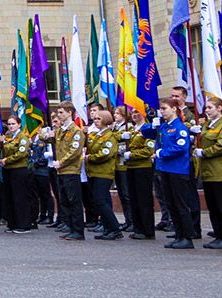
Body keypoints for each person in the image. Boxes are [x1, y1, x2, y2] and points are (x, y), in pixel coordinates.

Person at [195, 96, 222, 248]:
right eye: (206, 108)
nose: (206, 110)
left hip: (220, 171)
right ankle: (218, 234)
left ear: (219, 108)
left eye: (210, 108)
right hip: (208, 171)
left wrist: (205, 152)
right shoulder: (208, 125)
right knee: (213, 206)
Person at [153, 103, 196, 249]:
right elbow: (154, 138)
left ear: (174, 109)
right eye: (161, 109)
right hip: (165, 168)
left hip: (178, 169)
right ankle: (179, 234)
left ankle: (187, 237)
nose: (162, 111)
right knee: (170, 203)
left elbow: (181, 146)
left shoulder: (180, 127)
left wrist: (160, 154)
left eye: (164, 108)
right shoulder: (164, 127)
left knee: (180, 204)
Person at [120, 105, 157, 240]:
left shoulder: (147, 128)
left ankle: (147, 229)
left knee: (143, 199)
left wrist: (132, 154)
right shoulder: (131, 129)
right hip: (131, 167)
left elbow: (148, 150)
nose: (134, 115)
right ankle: (138, 227)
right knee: (134, 198)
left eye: (137, 112)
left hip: (143, 166)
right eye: (133, 112)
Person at [50, 103, 85, 241]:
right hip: (61, 171)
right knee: (64, 200)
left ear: (70, 112)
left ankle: (78, 230)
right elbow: (46, 138)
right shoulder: (60, 130)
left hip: (70, 170)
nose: (59, 115)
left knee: (74, 200)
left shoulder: (76, 131)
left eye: (61, 112)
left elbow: (74, 151)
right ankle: (70, 227)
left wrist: (61, 162)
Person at [85, 109, 122, 240]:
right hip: (94, 172)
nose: (95, 121)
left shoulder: (109, 136)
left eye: (98, 119)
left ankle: (115, 228)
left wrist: (89, 158)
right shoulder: (97, 135)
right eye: (94, 119)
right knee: (101, 200)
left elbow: (106, 153)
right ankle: (108, 228)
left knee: (100, 201)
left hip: (104, 172)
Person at [0, 119, 33, 234]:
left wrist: (7, 160)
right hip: (8, 170)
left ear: (19, 124)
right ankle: (13, 223)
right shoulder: (9, 137)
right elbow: (4, 150)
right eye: (9, 124)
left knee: (20, 197)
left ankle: (24, 224)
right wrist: (1, 143)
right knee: (10, 197)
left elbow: (21, 153)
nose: (11, 126)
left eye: (13, 124)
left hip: (19, 169)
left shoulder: (22, 137)